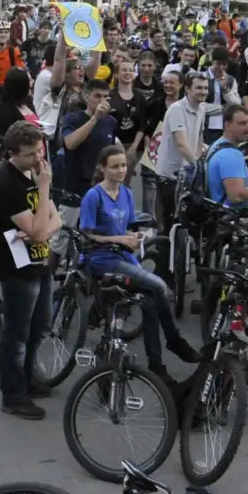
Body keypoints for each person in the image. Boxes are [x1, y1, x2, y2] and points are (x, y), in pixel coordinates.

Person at [79, 144, 200, 384]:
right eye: (114, 166)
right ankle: (174, 341)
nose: (121, 170)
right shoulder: (93, 196)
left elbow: (132, 227)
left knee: (150, 302)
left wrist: (138, 236)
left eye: (123, 165)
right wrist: (118, 239)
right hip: (103, 259)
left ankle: (156, 364)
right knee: (158, 286)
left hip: (125, 256)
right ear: (103, 168)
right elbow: (86, 236)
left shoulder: (126, 192)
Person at [0, 121, 61, 420]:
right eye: (31, 155)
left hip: (39, 261)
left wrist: (43, 228)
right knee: (17, 333)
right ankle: (13, 395)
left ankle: (28, 378)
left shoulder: (32, 172)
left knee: (40, 325)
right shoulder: (6, 183)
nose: (38, 160)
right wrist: (43, 189)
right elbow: (40, 229)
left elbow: (55, 221)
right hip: (16, 268)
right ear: (12, 153)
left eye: (40, 152)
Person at [153, 71, 209, 232]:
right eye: (199, 88)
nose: (203, 91)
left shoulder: (202, 109)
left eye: (206, 88)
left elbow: (199, 137)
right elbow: (182, 144)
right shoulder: (177, 109)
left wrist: (197, 161)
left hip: (187, 175)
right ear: (187, 89)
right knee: (170, 223)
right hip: (170, 175)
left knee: (186, 222)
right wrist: (198, 168)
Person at [61, 79, 118, 198]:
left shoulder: (111, 122)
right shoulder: (73, 118)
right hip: (76, 187)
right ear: (87, 97)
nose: (102, 101)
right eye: (97, 96)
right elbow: (70, 144)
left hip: (101, 186)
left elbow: (110, 154)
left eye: (105, 97)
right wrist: (95, 119)